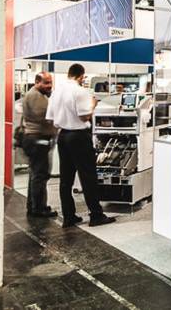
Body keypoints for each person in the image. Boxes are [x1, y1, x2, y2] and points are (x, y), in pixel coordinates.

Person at [46, 63, 115, 227]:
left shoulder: (56, 92)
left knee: (66, 179)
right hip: (79, 136)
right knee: (88, 177)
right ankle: (96, 215)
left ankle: (69, 216)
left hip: (63, 136)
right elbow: (84, 116)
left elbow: (50, 118)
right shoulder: (80, 91)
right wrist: (93, 104)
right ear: (81, 76)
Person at [21, 72, 57, 218]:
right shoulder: (36, 96)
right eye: (46, 82)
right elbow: (46, 118)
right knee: (40, 175)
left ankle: (34, 206)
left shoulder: (36, 94)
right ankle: (39, 208)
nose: (49, 85)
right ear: (37, 82)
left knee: (35, 174)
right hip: (38, 139)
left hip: (34, 138)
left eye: (50, 82)